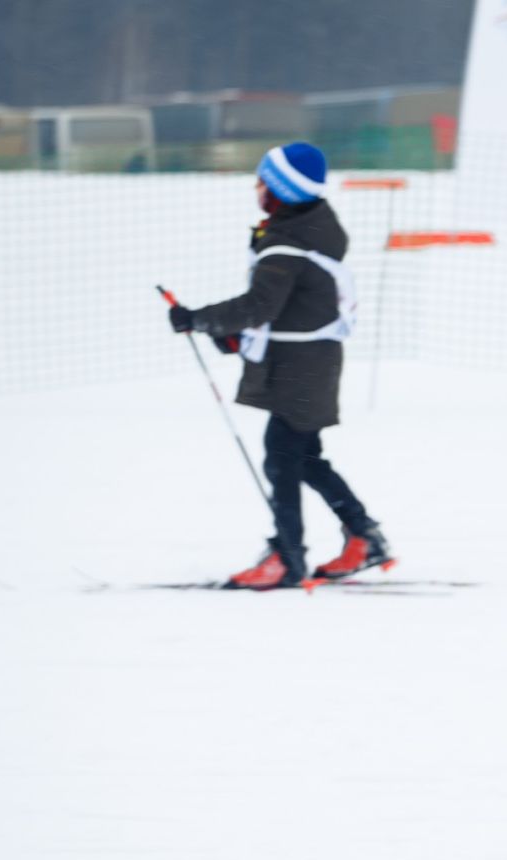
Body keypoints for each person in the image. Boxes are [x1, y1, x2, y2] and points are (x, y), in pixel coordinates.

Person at [167, 141, 391, 590]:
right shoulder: (308, 228)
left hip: (300, 366)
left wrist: (198, 319)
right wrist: (226, 333)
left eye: (263, 182)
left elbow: (260, 305)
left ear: (282, 191)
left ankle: (287, 557)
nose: (256, 188)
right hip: (309, 360)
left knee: (284, 458)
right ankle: (364, 537)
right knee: (303, 458)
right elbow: (288, 305)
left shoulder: (287, 244)